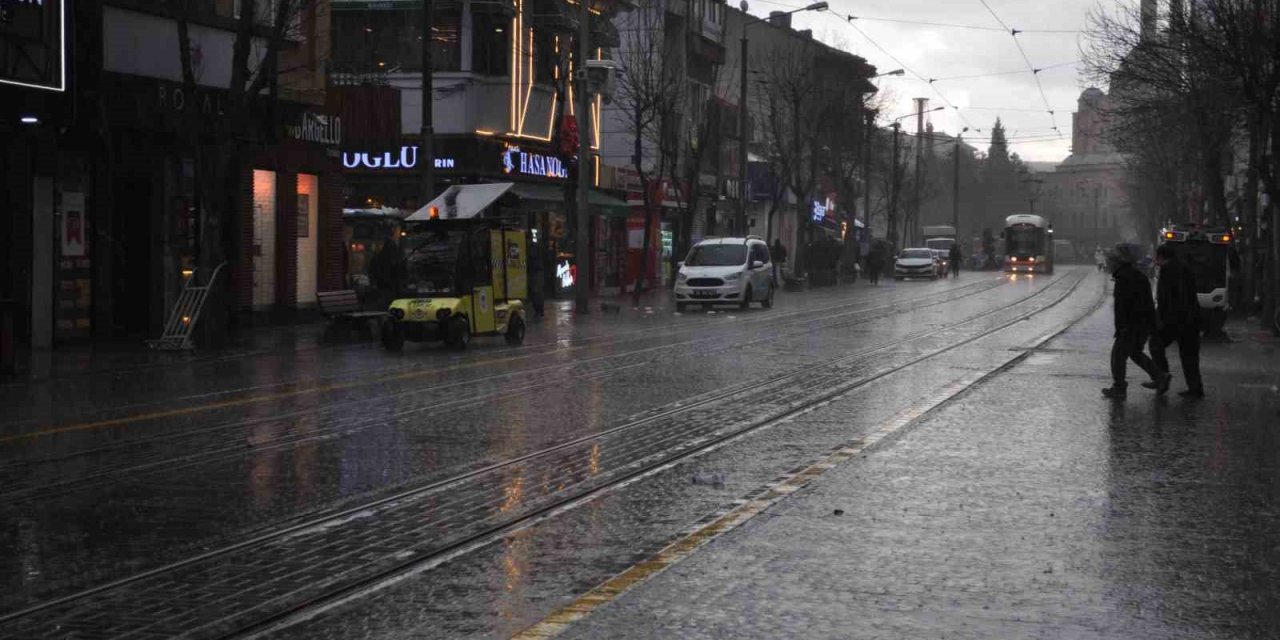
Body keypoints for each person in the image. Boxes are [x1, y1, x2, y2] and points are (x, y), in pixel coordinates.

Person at [1102, 243, 1168, 399]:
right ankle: (1160, 378)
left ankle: (1119, 388)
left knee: (1118, 355)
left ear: (1117, 263)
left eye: (1110, 262)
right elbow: (1147, 303)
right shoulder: (1135, 275)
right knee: (1135, 353)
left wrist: (1122, 328)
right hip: (1141, 324)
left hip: (1132, 325)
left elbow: (1123, 307)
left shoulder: (1124, 278)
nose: (1108, 266)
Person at [1143, 244, 1203, 397]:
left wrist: (1161, 318)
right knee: (1189, 355)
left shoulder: (1168, 270)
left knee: (1155, 344)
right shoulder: (1184, 268)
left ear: (1162, 257)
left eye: (1157, 256)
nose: (1155, 259)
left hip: (1175, 319)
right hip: (1190, 319)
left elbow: (1167, 298)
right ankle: (1195, 388)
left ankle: (1162, 376)